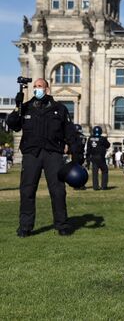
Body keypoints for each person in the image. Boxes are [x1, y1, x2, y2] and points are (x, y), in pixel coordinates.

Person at [6, 78, 83, 237]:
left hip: (52, 154)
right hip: (31, 154)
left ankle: (61, 224)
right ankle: (25, 227)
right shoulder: (26, 107)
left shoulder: (59, 109)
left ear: (47, 89)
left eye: (40, 86)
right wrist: (17, 107)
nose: (37, 89)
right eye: (35, 87)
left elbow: (70, 133)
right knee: (27, 190)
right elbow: (13, 125)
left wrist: (77, 155)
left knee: (58, 190)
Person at [86, 126, 111, 191]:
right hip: (101, 157)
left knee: (95, 173)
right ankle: (104, 186)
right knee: (105, 170)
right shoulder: (102, 138)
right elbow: (108, 145)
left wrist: (88, 158)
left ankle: (95, 187)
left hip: (93, 157)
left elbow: (88, 149)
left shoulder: (90, 138)